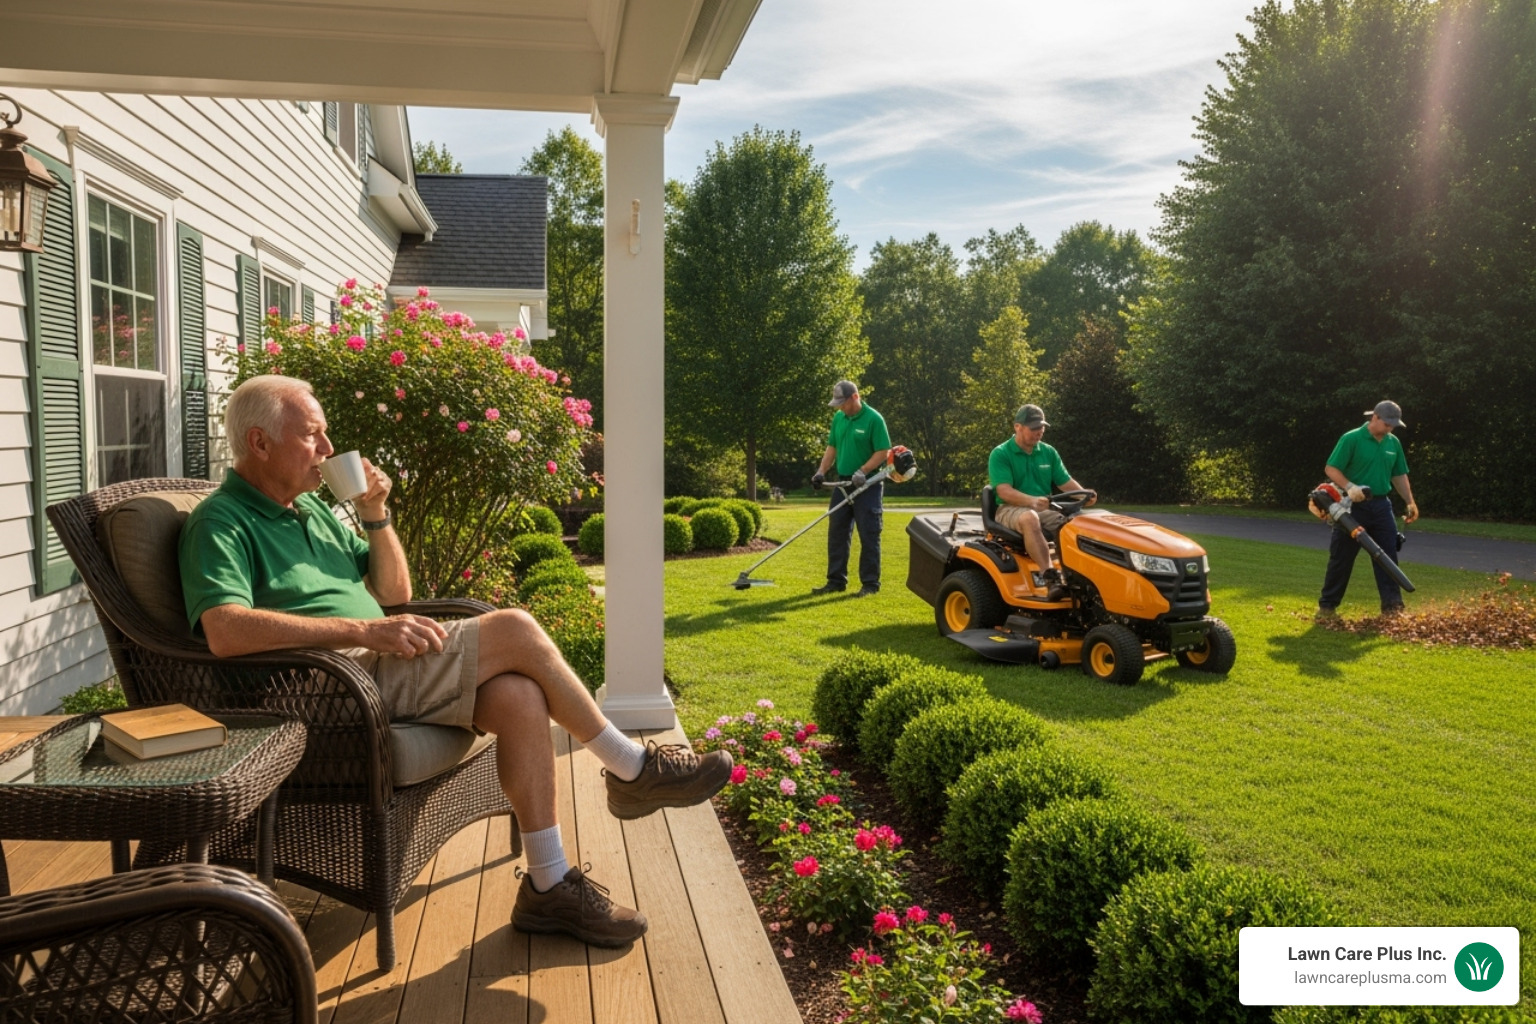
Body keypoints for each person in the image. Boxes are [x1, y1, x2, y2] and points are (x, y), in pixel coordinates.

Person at [178, 375, 732, 949]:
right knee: (514, 626)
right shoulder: (220, 522)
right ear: (260, 443)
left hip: (375, 661)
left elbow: (394, 593)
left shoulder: (311, 511)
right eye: (312, 436)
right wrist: (365, 629)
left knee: (519, 695)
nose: (326, 450)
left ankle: (547, 887)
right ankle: (631, 768)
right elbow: (224, 630)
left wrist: (374, 513)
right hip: (323, 683)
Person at [1317, 400, 1419, 617]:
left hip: (1382, 506)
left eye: (1394, 424)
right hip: (1351, 507)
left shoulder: (1393, 443)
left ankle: (1392, 608)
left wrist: (1410, 501)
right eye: (1387, 423)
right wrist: (1350, 486)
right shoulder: (1352, 438)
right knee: (1342, 557)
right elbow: (1331, 468)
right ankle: (1328, 605)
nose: (1390, 428)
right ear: (1375, 417)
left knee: (1387, 556)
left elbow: (1399, 475)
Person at [986, 404, 1095, 601]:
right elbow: (1004, 491)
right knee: (1030, 517)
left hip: (1044, 508)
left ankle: (1082, 578)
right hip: (1010, 509)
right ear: (1017, 427)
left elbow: (1065, 482)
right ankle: (1050, 578)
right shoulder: (1001, 453)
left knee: (1075, 525)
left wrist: (1084, 494)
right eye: (1034, 427)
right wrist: (1032, 501)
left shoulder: (1048, 452)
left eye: (1041, 427)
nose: (1039, 431)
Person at [810, 380, 891, 597]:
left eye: (842, 403)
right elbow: (832, 447)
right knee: (837, 531)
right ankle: (835, 581)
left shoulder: (874, 419)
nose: (840, 407)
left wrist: (863, 471)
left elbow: (883, 451)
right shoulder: (839, 418)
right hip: (843, 483)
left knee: (869, 533)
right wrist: (821, 472)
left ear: (855, 397)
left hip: (868, 485)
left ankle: (870, 585)